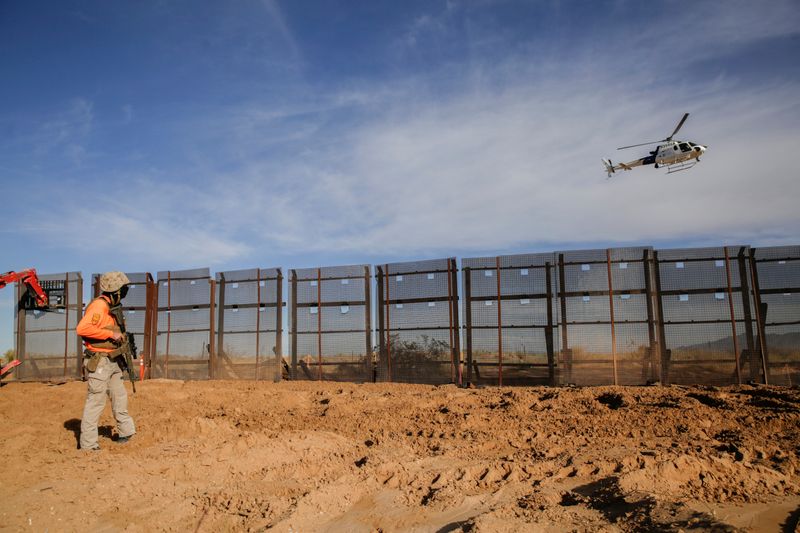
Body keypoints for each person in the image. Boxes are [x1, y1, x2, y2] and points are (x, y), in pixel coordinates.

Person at [76, 271, 136, 450]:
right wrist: (111, 334)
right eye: (123, 289)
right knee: (96, 402)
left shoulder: (113, 307)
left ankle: (127, 432)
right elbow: (82, 328)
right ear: (114, 290)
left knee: (120, 397)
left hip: (114, 360)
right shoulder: (99, 306)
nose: (125, 292)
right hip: (100, 361)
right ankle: (88, 444)